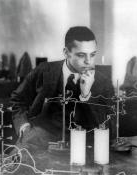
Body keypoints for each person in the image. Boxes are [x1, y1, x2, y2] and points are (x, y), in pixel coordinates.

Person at [10, 26, 114, 154]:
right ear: (66, 52)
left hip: (85, 144)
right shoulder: (44, 71)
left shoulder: (103, 82)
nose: (88, 61)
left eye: (92, 55)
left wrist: (85, 95)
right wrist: (24, 125)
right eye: (81, 55)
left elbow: (106, 125)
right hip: (41, 138)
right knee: (17, 165)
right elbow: (18, 99)